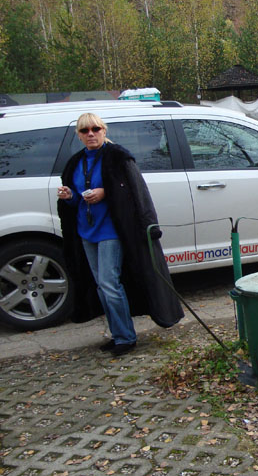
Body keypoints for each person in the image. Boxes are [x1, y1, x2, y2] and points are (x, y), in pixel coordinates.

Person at [57, 112, 183, 355]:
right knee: (101, 285)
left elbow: (135, 192)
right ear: (79, 135)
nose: (91, 134)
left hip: (111, 230)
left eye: (95, 129)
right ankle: (118, 334)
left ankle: (126, 337)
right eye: (85, 131)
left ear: (104, 131)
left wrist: (105, 192)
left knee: (109, 283)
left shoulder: (118, 157)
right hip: (86, 231)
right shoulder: (75, 162)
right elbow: (75, 201)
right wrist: (70, 196)